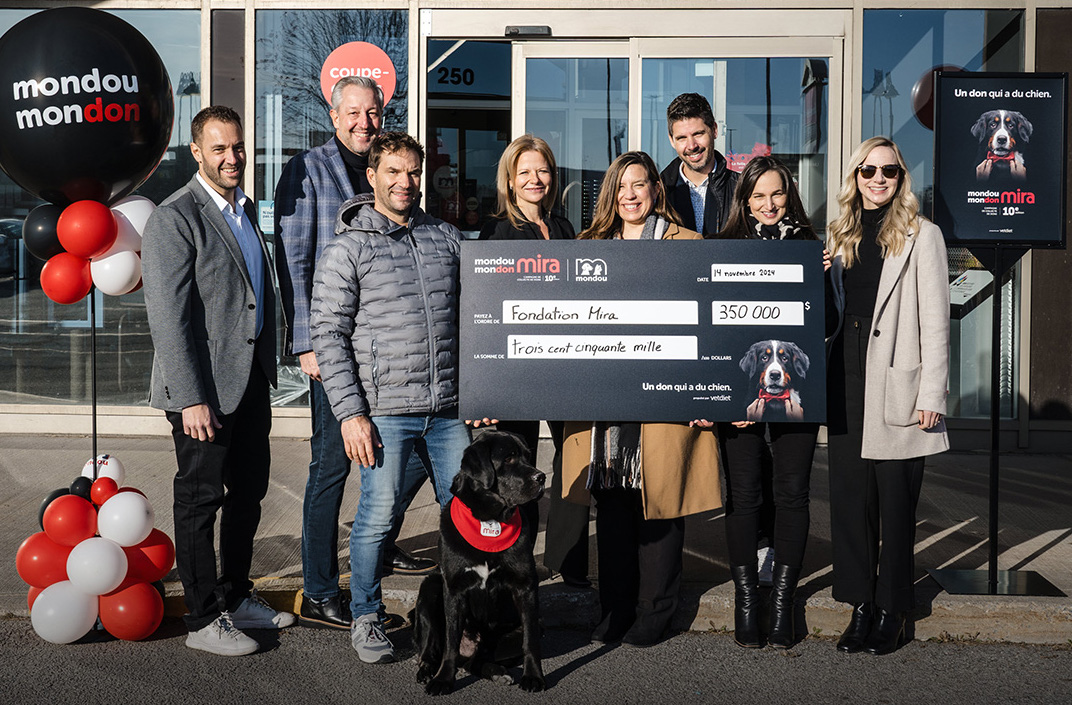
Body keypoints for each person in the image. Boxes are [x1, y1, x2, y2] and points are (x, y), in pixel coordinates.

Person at [274, 76, 433, 633]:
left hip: (387, 348)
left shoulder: (390, 166)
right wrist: (307, 343)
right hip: (335, 343)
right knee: (332, 464)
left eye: (373, 112)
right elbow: (293, 263)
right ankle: (319, 588)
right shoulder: (307, 169)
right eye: (354, 112)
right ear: (334, 113)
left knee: (401, 455)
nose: (364, 121)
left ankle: (380, 547)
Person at [310, 131, 470, 664]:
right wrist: (351, 414)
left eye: (414, 172)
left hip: (447, 409)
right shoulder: (349, 248)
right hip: (384, 412)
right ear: (373, 177)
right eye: (394, 172)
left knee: (464, 517)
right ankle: (367, 617)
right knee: (377, 518)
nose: (406, 183)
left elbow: (478, 319)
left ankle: (459, 616)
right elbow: (327, 334)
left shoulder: (446, 237)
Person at [142, 105, 296, 656]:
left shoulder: (245, 211)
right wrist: (190, 399)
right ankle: (203, 617)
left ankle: (235, 594)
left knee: (249, 492)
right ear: (197, 152)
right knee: (200, 497)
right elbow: (168, 318)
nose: (232, 158)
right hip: (201, 392)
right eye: (220, 149)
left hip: (249, 380)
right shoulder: (176, 216)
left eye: (238, 147)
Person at [561, 151, 722, 647]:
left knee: (661, 504)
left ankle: (657, 609)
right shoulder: (587, 247)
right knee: (611, 507)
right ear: (610, 194)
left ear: (655, 189)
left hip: (665, 398)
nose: (629, 195)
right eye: (620, 186)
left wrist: (710, 394)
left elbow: (709, 323)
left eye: (639, 185)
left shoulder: (689, 244)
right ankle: (615, 607)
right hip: (604, 405)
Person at [825, 137, 950, 656]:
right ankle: (860, 604)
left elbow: (937, 321)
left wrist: (932, 392)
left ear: (902, 177)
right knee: (851, 501)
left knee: (896, 501)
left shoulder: (925, 236)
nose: (878, 179)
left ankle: (894, 608)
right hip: (844, 372)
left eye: (889, 171)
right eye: (868, 170)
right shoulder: (840, 234)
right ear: (854, 176)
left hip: (896, 372)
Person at [701, 156, 827, 649]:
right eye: (757, 196)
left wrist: (820, 278)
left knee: (793, 493)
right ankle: (747, 599)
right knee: (745, 495)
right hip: (740, 394)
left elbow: (826, 323)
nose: (768, 204)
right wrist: (719, 393)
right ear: (744, 199)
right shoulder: (725, 246)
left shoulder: (809, 245)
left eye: (776, 194)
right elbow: (714, 322)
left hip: (799, 389)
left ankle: (782, 602)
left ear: (788, 195)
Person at [479, 135, 589, 587]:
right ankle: (516, 562)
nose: (534, 179)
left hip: (563, 367)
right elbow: (482, 309)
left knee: (575, 462)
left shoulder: (563, 229)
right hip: (516, 371)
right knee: (515, 470)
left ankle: (570, 563)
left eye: (542, 170)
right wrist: (485, 384)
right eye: (524, 171)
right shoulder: (497, 232)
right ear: (509, 178)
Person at [660, 92, 739, 236]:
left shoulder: (741, 189)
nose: (691, 146)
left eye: (698, 134)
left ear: (714, 130)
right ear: (672, 140)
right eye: (682, 138)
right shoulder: (659, 193)